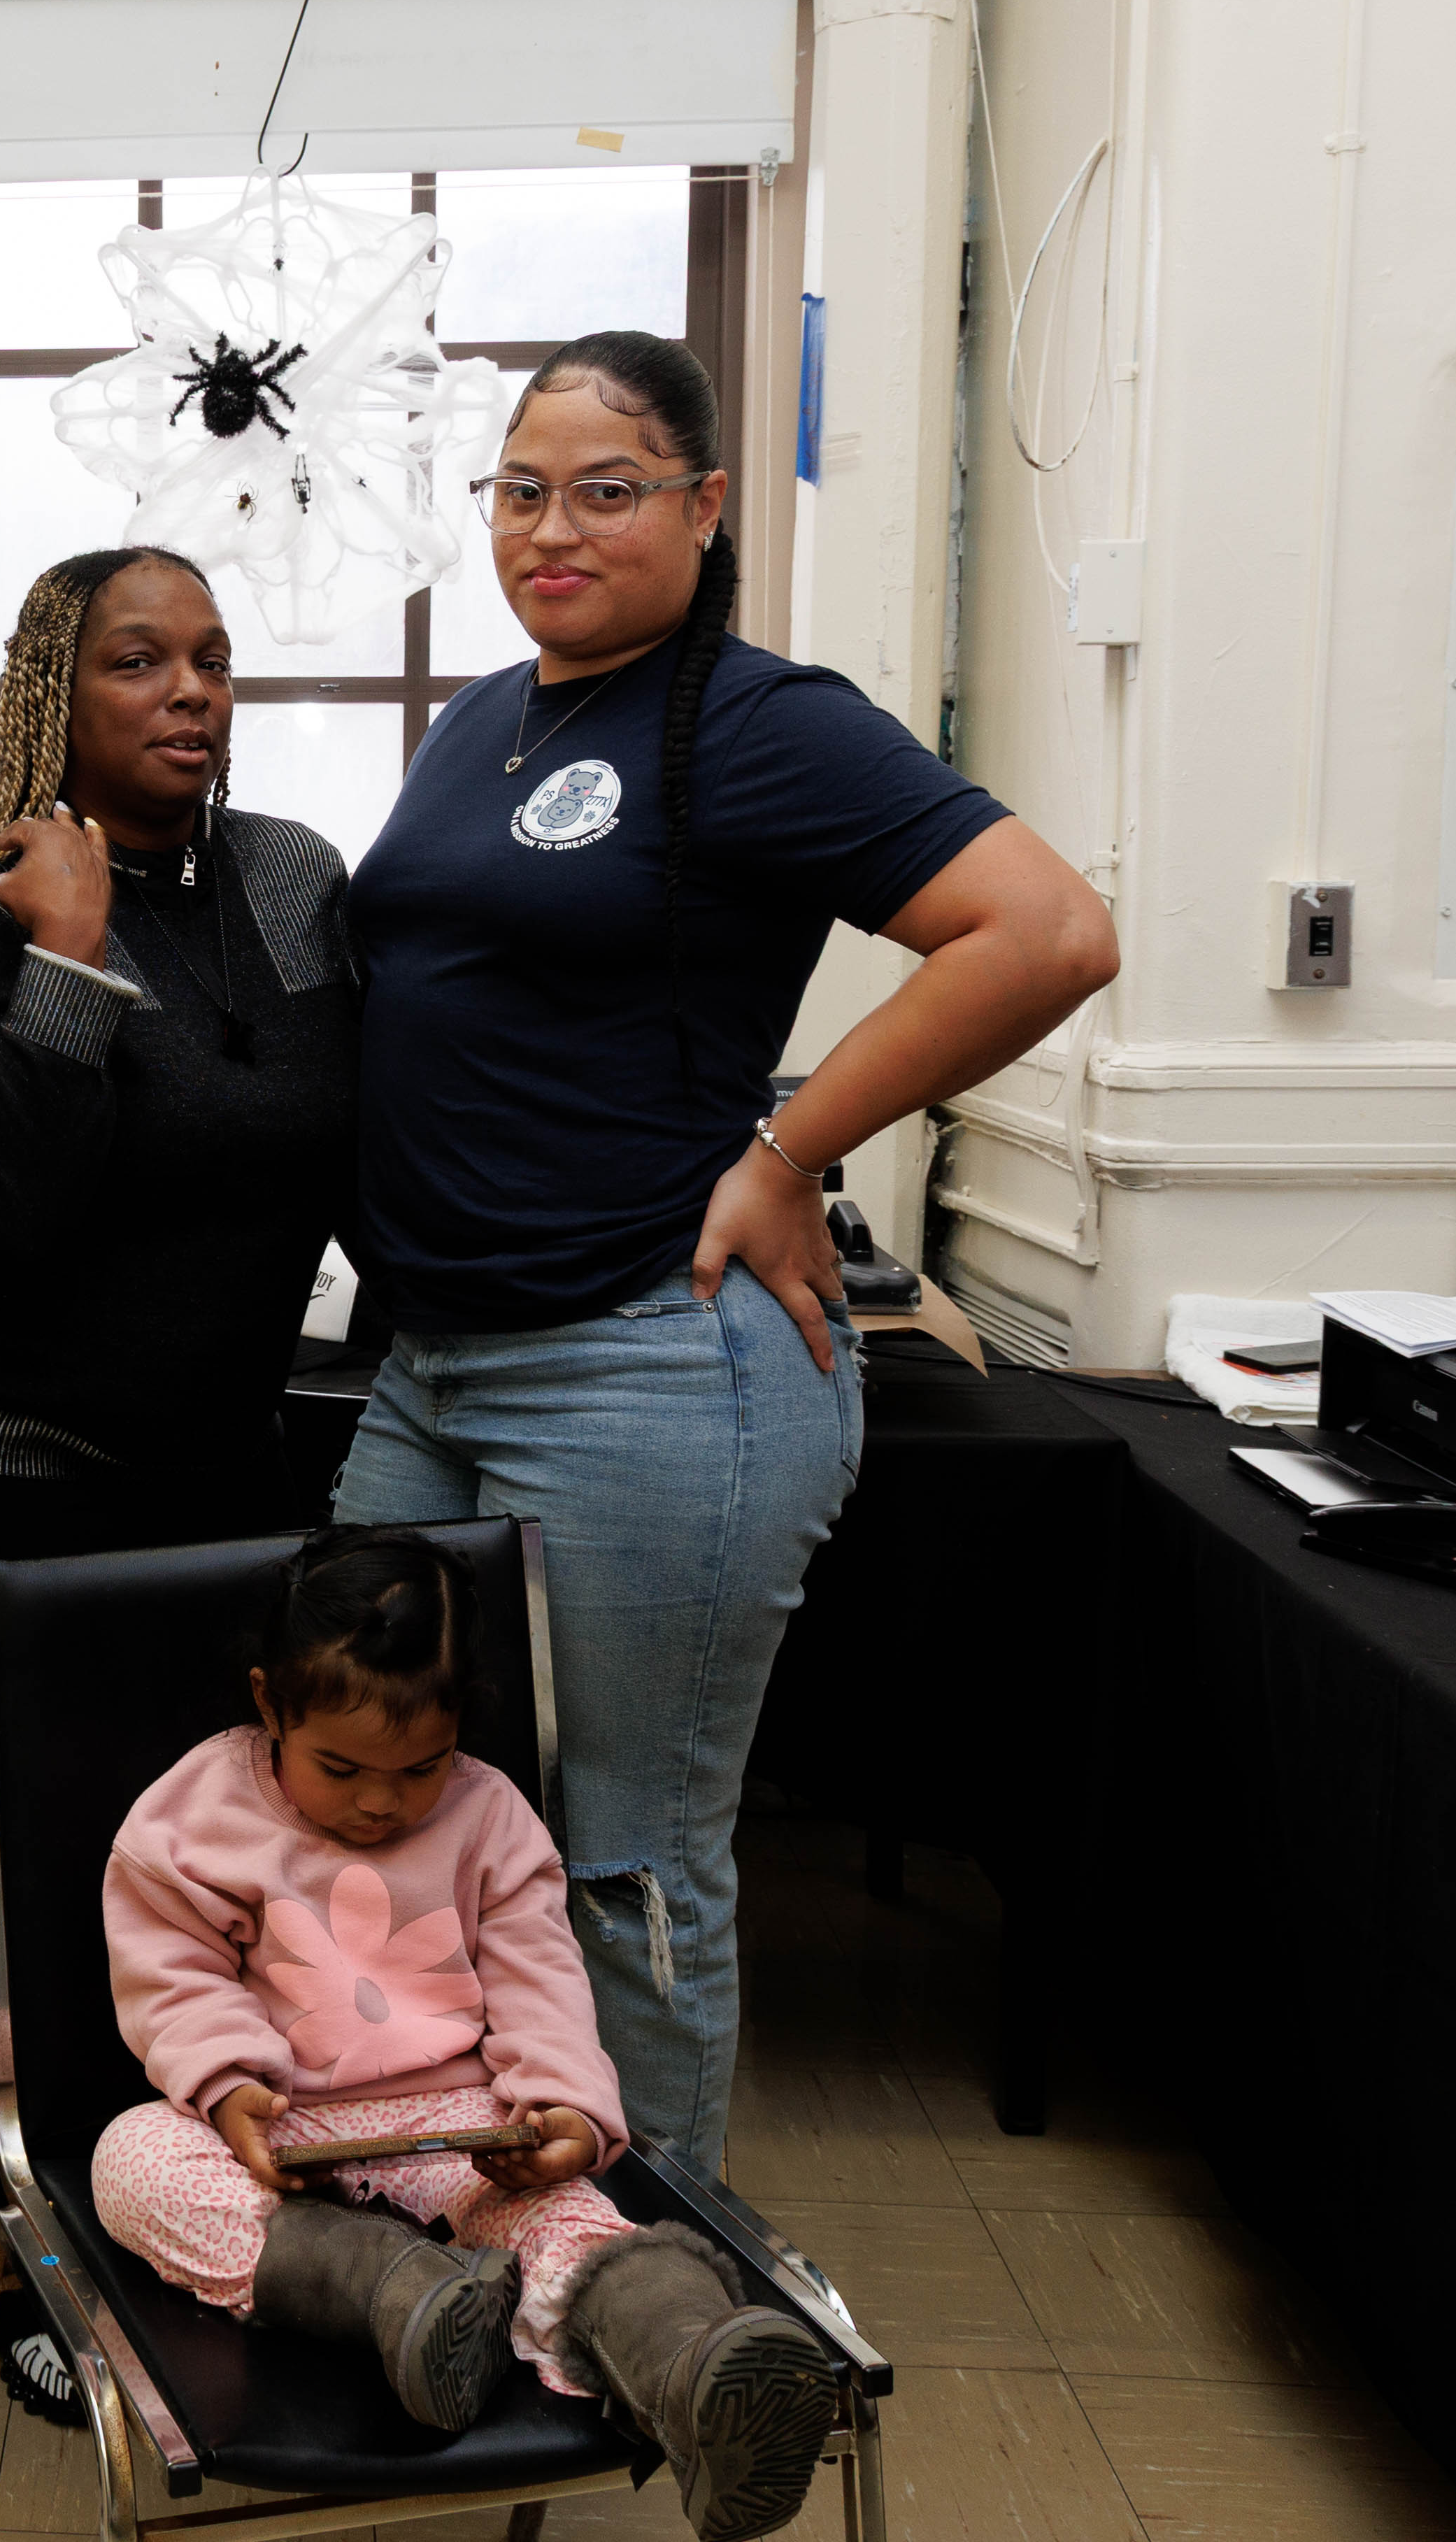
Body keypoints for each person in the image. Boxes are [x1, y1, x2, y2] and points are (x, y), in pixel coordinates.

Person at [335, 330, 1119, 2176]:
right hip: (436, 1350)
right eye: (520, 490)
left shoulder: (756, 718)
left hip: (642, 1357)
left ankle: (643, 2280)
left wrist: (790, 1149)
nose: (552, 528)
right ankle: (461, 2197)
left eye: (604, 490)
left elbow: (1048, 932)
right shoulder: (487, 717)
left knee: (624, 1851)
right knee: (378, 1795)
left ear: (703, 507)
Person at [0, 543, 357, 2421]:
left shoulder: (295, 883)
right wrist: (70, 951)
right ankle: (32, 2274)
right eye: (142, 661)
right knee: (27, 1911)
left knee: (198, 1902)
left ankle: (192, 2224)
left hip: (209, 1495)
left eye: (215, 657)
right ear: (57, 690)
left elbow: (335, 1132)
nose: (193, 690)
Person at [90, 1530, 843, 2542]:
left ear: (460, 1728)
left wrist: (564, 2111)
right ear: (270, 1705)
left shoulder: (492, 1818)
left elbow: (542, 1984)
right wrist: (230, 2090)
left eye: (421, 1768)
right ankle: (396, 2297)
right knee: (131, 2159)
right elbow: (172, 1977)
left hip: (462, 2124)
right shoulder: (194, 1818)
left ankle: (694, 2371)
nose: (380, 1802)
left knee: (572, 2227)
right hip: (285, 2135)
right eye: (342, 1766)